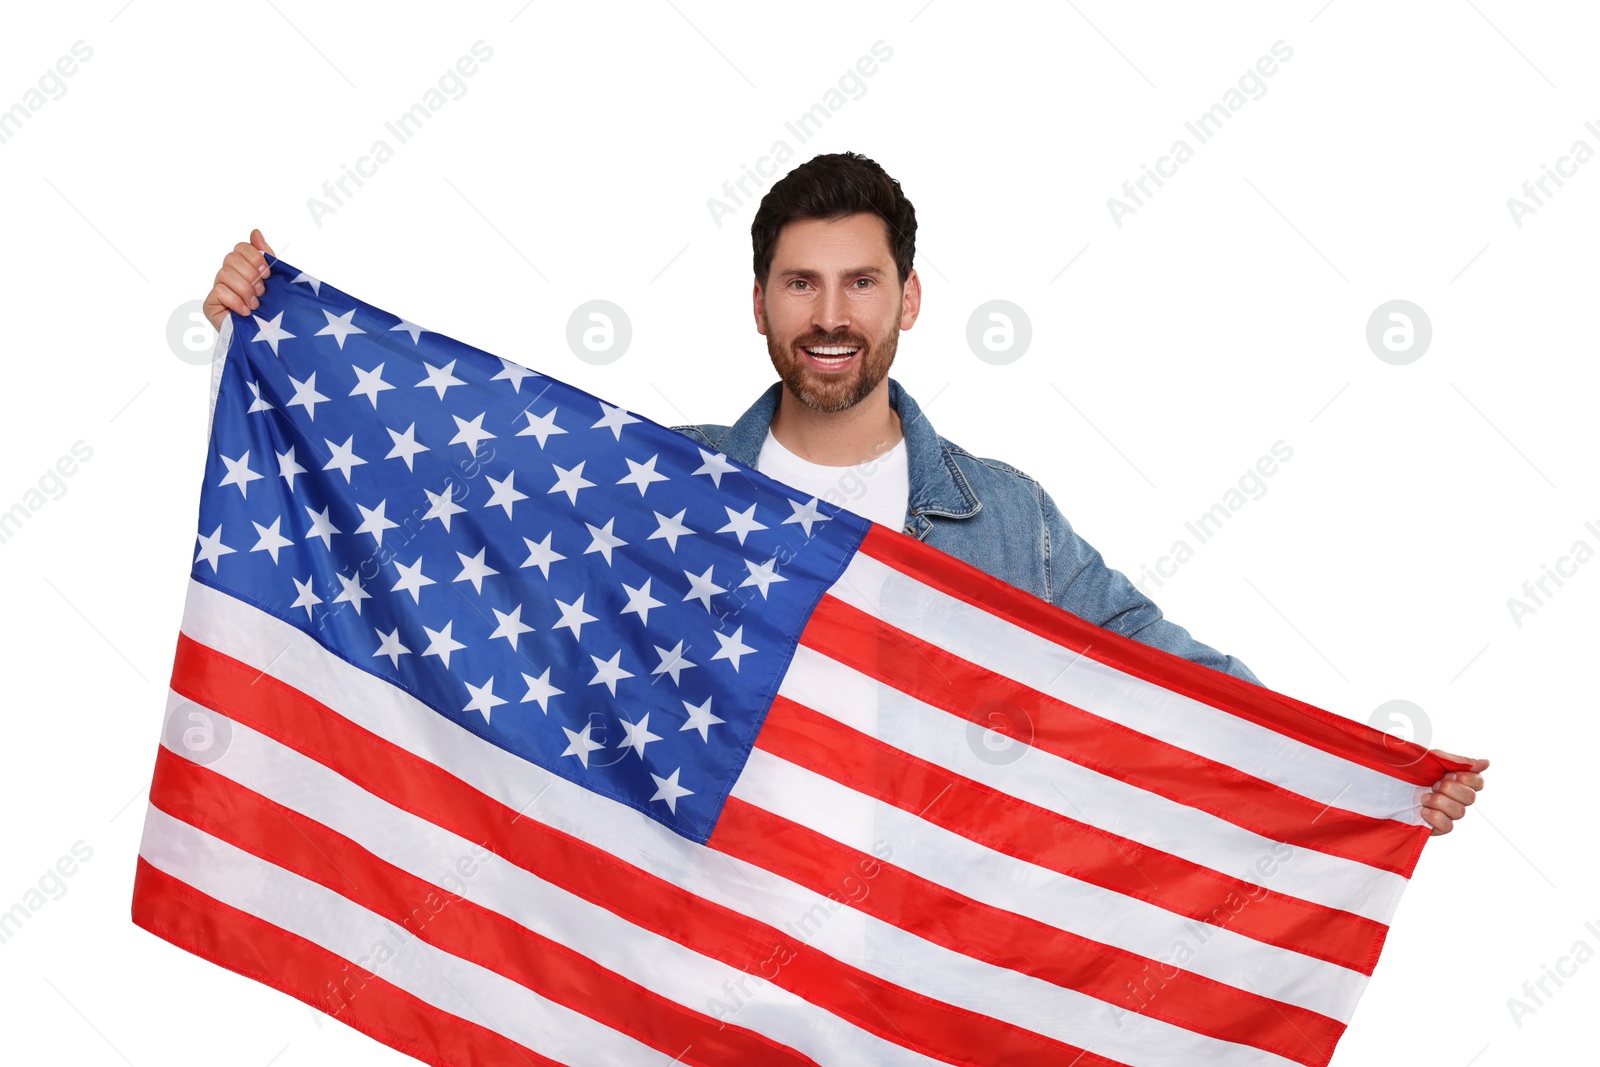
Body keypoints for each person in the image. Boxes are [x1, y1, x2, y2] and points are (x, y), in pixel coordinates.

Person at [201, 152, 1486, 834]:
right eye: (801, 284)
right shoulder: (674, 479)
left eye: (860, 283)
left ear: (907, 300)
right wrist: (279, 338)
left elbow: (1167, 674)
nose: (831, 316)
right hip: (709, 936)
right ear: (759, 302)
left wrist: (1364, 777)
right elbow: (473, 509)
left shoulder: (1007, 517)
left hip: (918, 954)